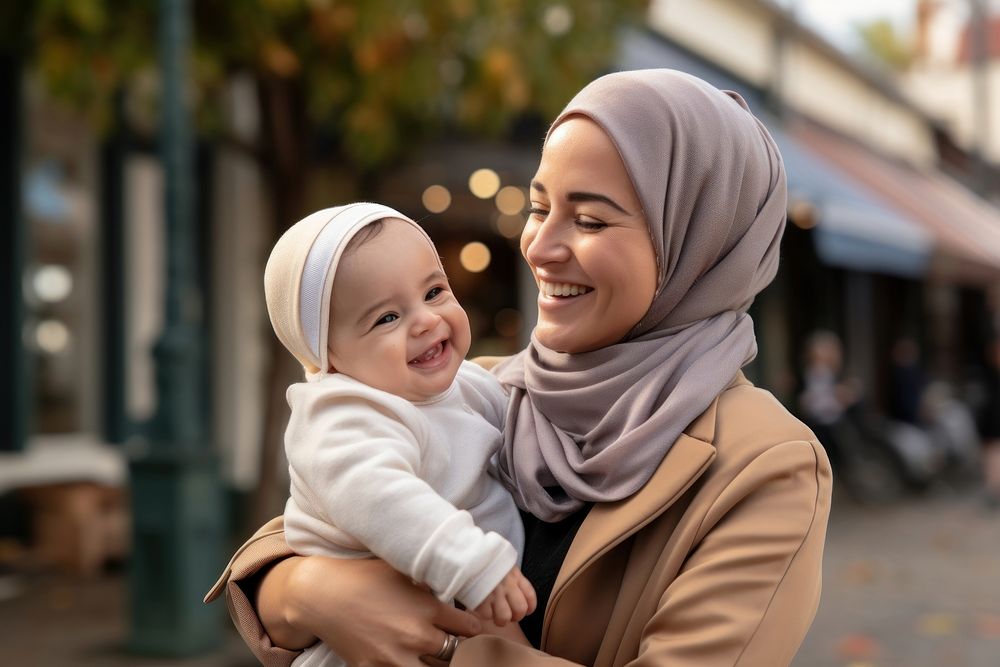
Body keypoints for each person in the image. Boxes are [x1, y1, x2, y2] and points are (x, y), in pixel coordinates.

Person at [205, 69, 833, 666]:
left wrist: (443, 649)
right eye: (539, 208)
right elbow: (320, 508)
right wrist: (312, 592)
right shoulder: (495, 383)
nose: (540, 246)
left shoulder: (765, 467)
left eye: (589, 219)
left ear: (697, 243)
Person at [260, 202, 535, 667]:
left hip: (456, 621)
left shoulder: (469, 384)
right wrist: (469, 562)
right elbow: (380, 495)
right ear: (327, 356)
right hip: (363, 643)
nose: (426, 320)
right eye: (387, 318)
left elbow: (518, 433)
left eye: (433, 291)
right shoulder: (341, 414)